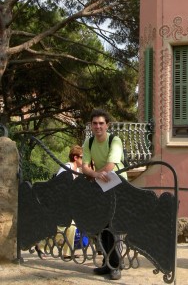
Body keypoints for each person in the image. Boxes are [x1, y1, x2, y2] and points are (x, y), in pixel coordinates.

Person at [82, 109, 126, 281]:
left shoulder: (114, 140)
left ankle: (115, 265)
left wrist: (95, 175)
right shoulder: (89, 142)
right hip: (101, 184)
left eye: (101, 123)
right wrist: (95, 176)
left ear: (107, 125)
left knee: (113, 226)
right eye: (95, 123)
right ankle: (108, 263)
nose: (98, 126)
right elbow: (85, 167)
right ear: (91, 125)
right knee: (103, 225)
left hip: (117, 184)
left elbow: (110, 166)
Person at [56, 145, 83, 259]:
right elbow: (58, 185)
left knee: (71, 227)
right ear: (76, 157)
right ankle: (42, 244)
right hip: (62, 203)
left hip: (70, 203)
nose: (84, 160)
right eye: (83, 157)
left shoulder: (76, 170)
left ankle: (67, 252)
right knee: (64, 227)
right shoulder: (66, 168)